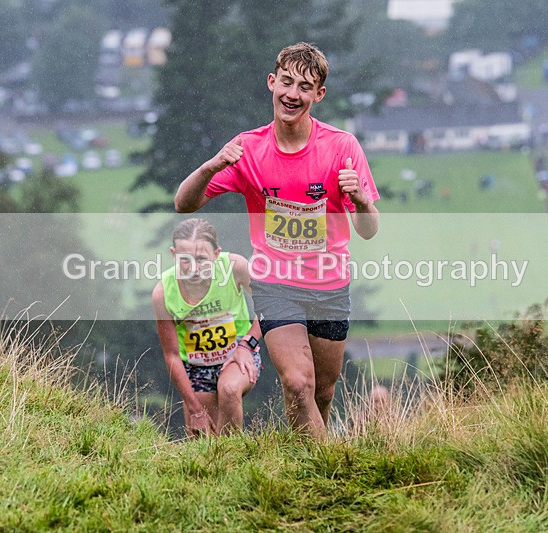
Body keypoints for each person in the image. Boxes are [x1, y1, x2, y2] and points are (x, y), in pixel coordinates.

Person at [174, 42, 380, 438]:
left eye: (305, 87)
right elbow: (184, 204)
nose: (293, 94)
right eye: (286, 82)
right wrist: (212, 165)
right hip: (276, 284)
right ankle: (330, 472)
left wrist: (361, 200)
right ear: (272, 83)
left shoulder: (341, 148)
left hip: (330, 287)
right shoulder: (248, 149)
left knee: (321, 392)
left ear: (318, 95)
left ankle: (299, 465)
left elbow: (368, 230)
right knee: (297, 384)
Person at [152, 218, 262, 437]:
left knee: (228, 389)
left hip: (238, 355)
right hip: (195, 367)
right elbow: (172, 355)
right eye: (185, 260)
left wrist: (247, 345)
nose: (193, 268)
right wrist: (194, 408)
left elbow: (271, 307)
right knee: (203, 445)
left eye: (202, 259)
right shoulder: (163, 293)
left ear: (216, 254)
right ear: (174, 254)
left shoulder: (235, 267)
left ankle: (232, 458)